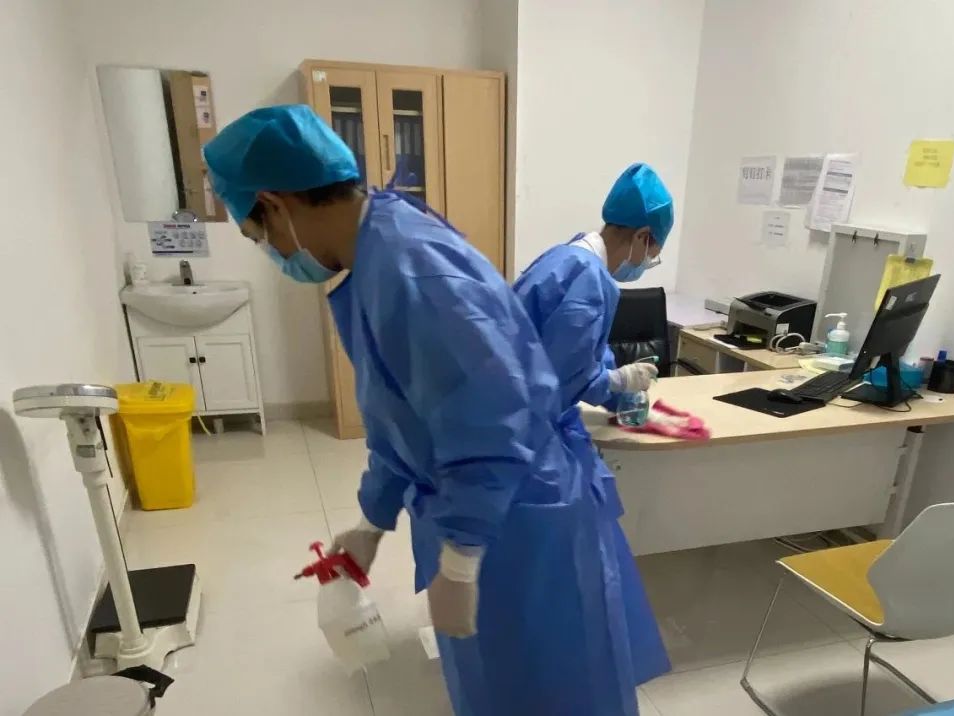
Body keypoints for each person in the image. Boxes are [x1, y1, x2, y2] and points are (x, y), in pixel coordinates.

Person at [204, 105, 643, 715]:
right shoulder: (376, 250)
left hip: (518, 517)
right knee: (497, 687)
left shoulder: (410, 267)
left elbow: (491, 416)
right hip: (483, 511)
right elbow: (404, 413)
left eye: (259, 236)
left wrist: (461, 556)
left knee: (548, 692)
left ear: (275, 205)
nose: (272, 252)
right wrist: (372, 519)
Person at [513, 163, 675, 685]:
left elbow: (575, 348)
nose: (650, 260)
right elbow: (564, 377)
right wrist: (617, 381)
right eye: (655, 249)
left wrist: (611, 376)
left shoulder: (565, 257)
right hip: (530, 438)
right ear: (643, 236)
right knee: (570, 553)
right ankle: (564, 665)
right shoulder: (589, 280)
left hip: (514, 423)